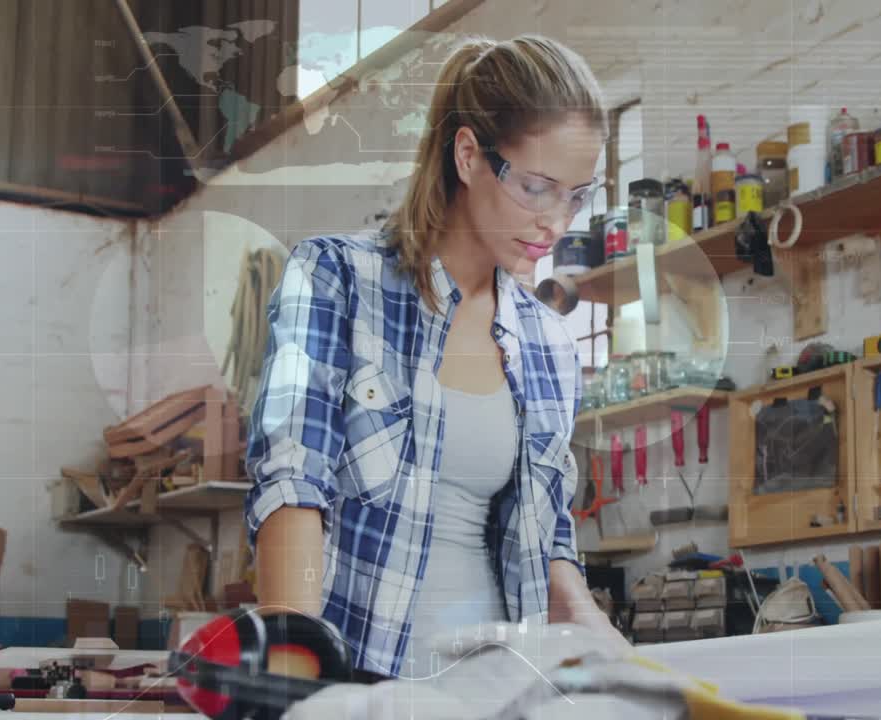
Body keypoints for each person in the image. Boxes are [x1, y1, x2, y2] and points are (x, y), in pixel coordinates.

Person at [244, 34, 627, 681]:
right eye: (537, 187)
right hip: (365, 686)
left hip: (502, 690)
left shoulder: (548, 344)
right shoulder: (335, 279)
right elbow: (292, 483)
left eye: (577, 195)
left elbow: (548, 537)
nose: (556, 222)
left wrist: (602, 640)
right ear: (470, 154)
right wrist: (296, 671)